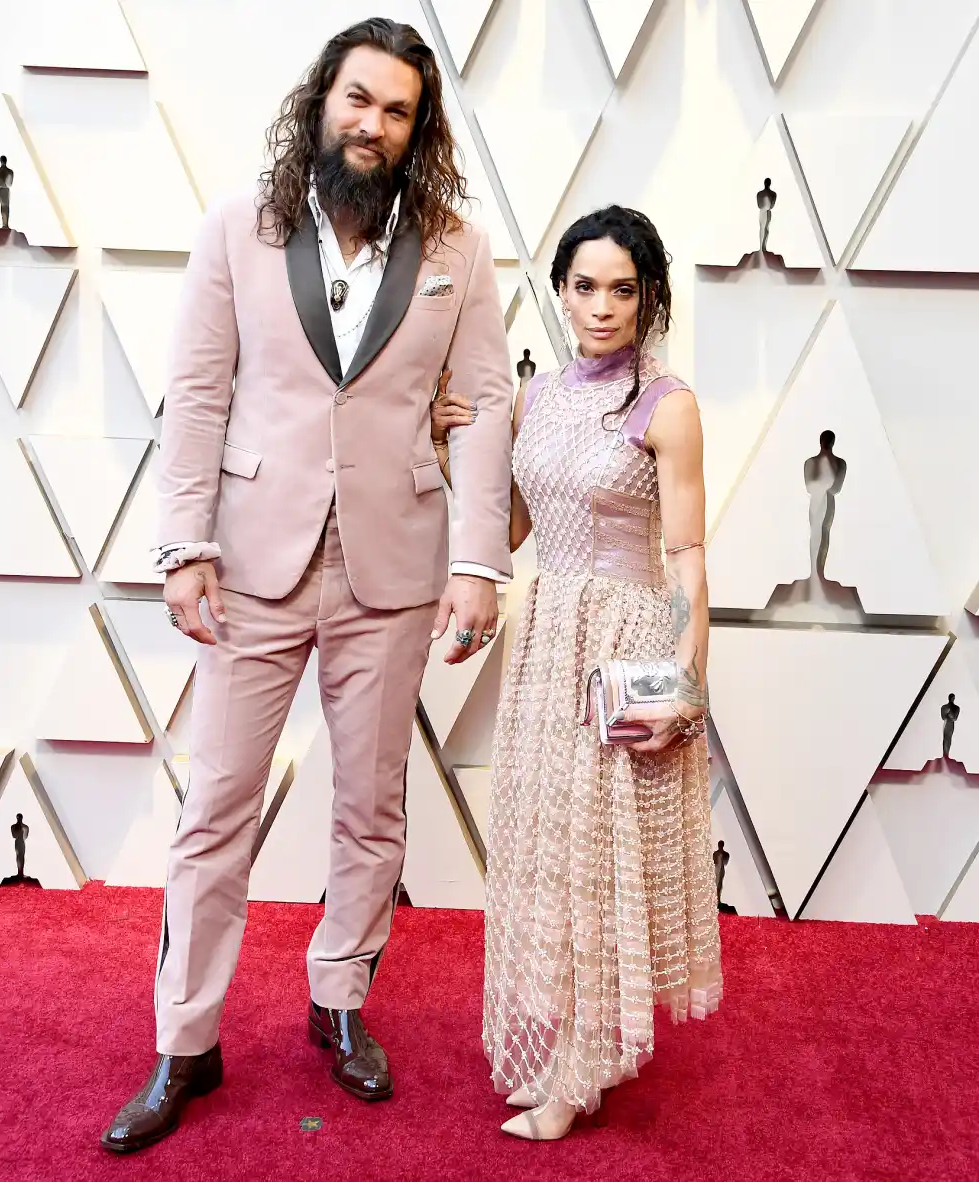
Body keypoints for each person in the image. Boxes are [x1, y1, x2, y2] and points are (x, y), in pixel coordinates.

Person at [101, 17, 513, 1154]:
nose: (372, 123)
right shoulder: (239, 226)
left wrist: (479, 564)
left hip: (393, 564)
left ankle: (339, 1004)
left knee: (370, 806)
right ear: (320, 100)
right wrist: (183, 545)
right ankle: (185, 1037)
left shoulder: (457, 249)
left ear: (416, 130)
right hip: (254, 562)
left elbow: (481, 407)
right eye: (357, 99)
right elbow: (196, 392)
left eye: (396, 110)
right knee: (216, 806)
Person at [432, 205, 723, 1141]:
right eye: (584, 286)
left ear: (650, 299)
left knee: (604, 862)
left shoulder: (666, 405)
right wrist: (449, 447)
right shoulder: (538, 396)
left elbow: (686, 558)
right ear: (559, 291)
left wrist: (685, 686)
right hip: (547, 639)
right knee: (552, 853)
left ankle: (578, 1072)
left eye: (622, 290)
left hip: (623, 647)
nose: (602, 307)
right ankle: (571, 1053)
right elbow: (515, 532)